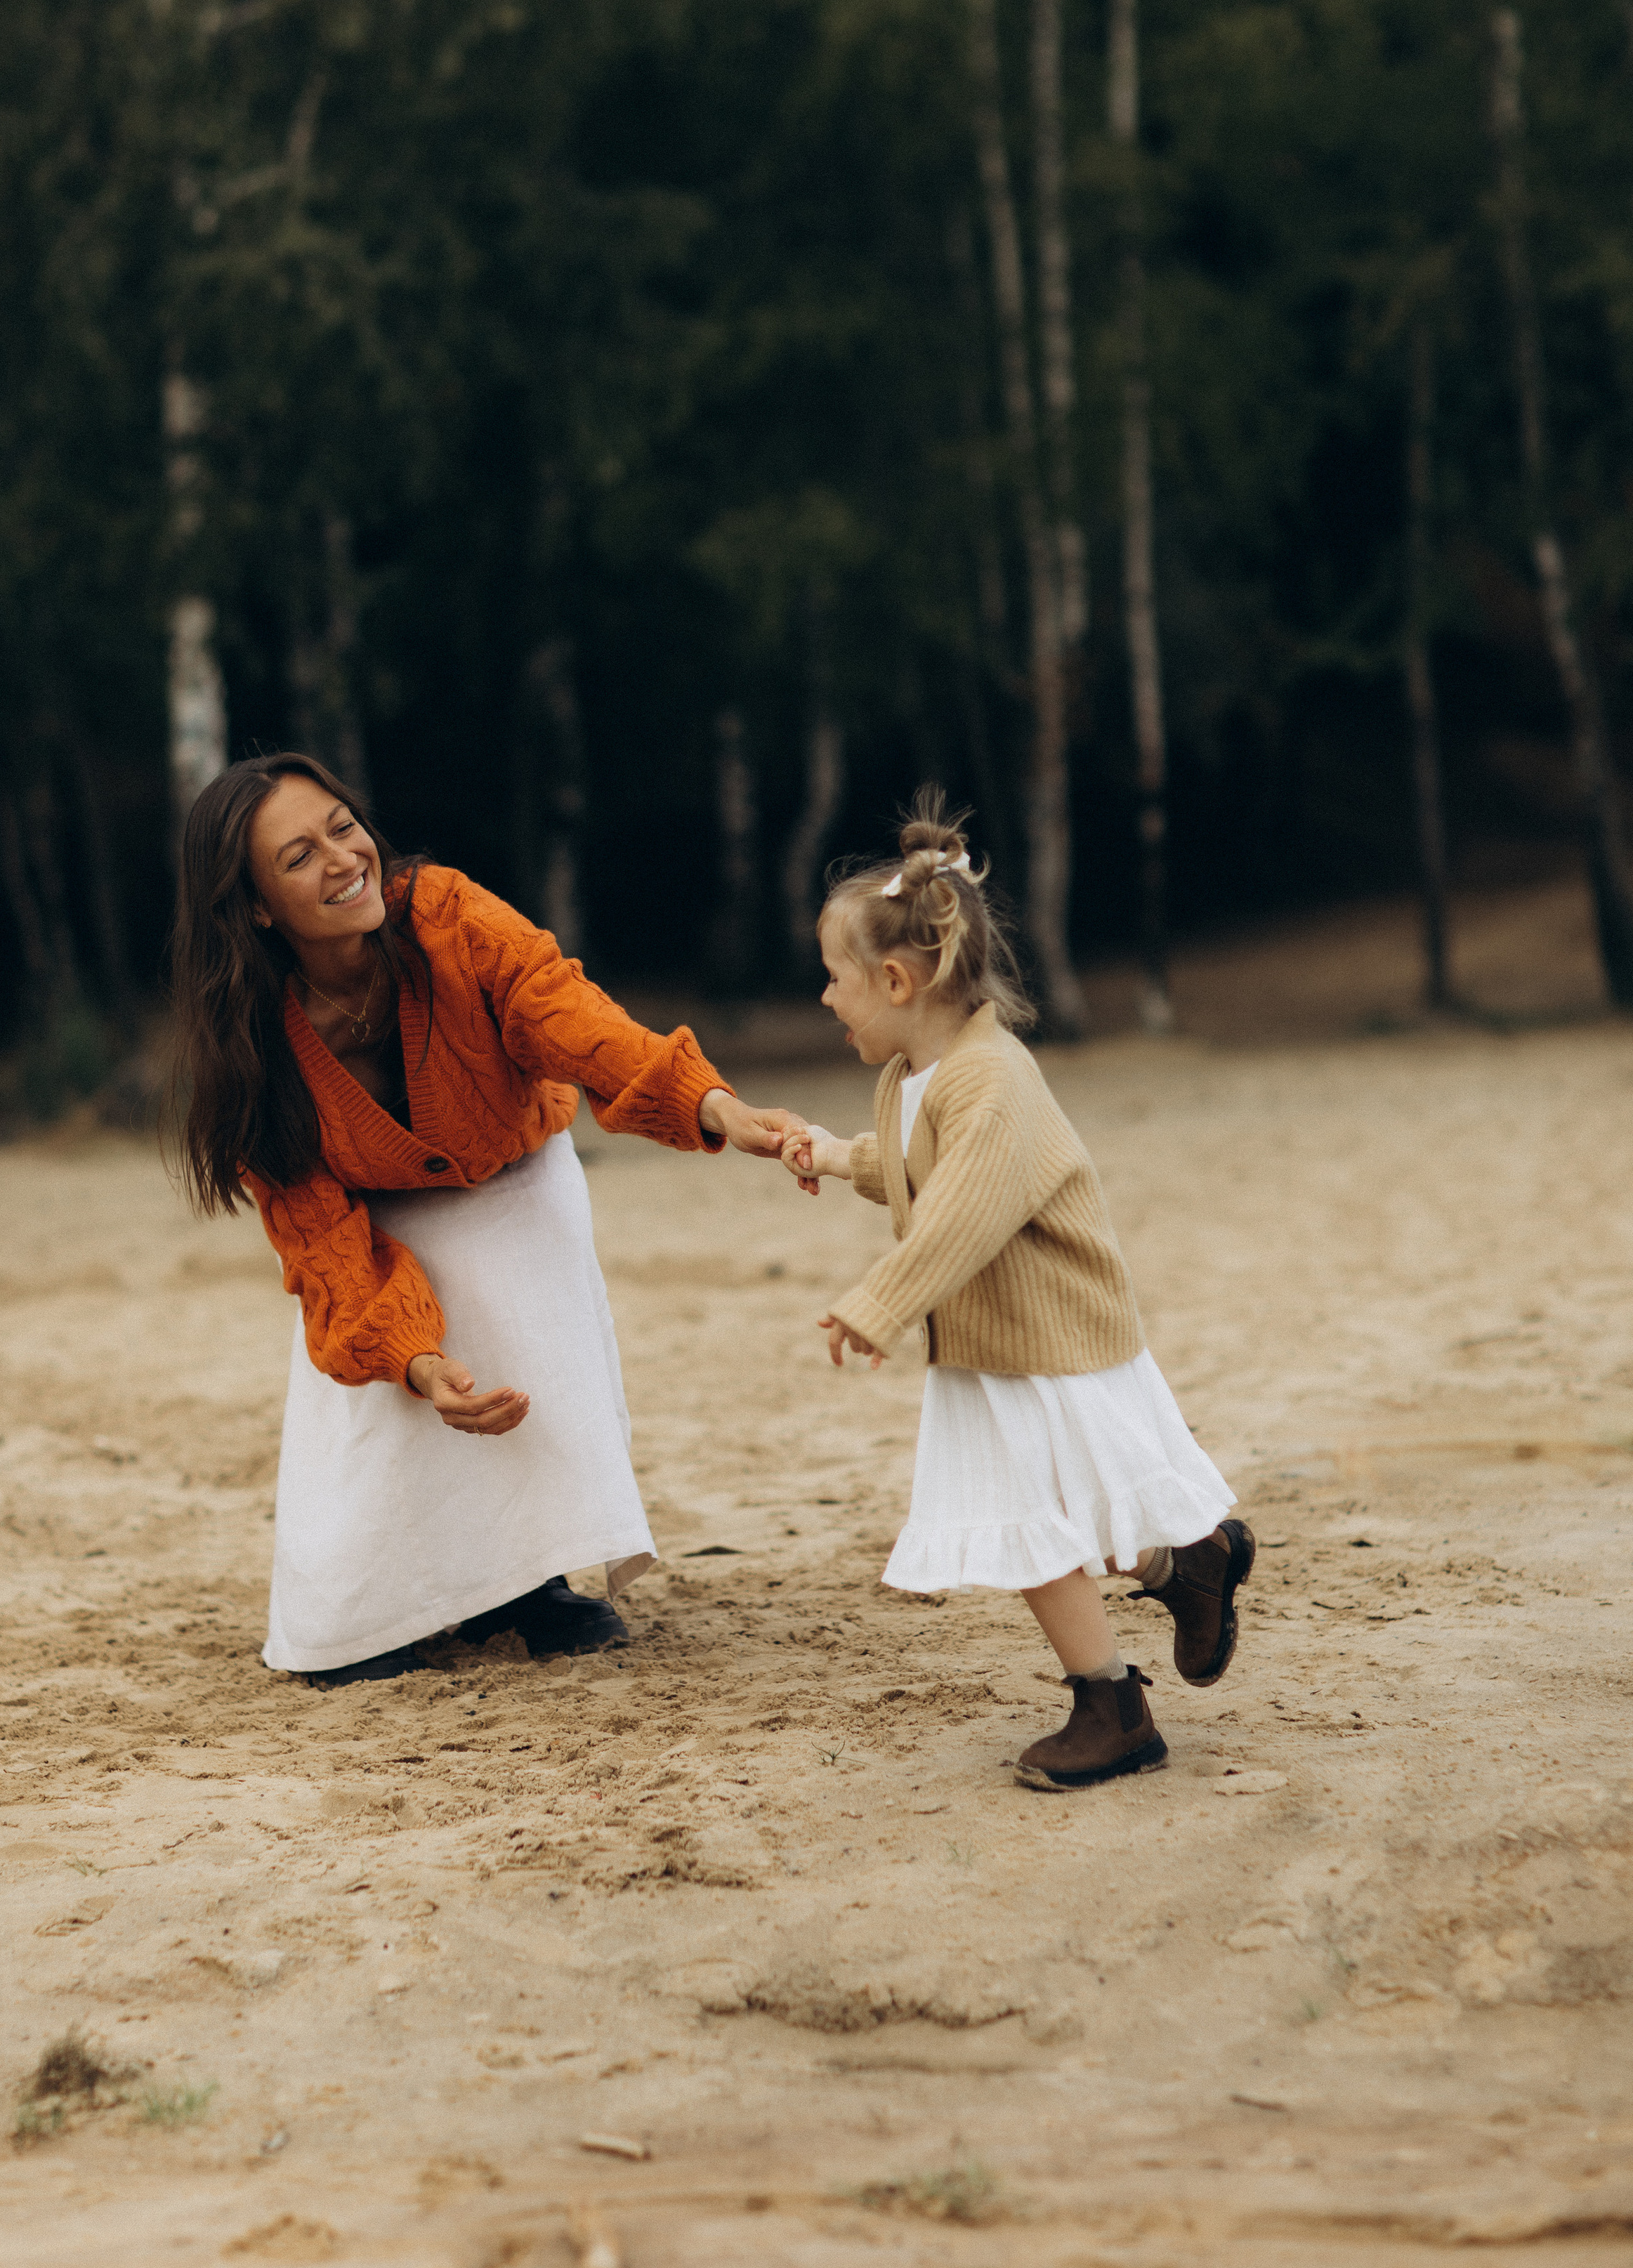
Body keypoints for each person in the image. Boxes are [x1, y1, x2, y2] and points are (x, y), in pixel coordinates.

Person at [168, 753, 804, 1677]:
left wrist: (712, 1106)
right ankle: (362, 1610)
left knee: (516, 1320)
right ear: (257, 907)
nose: (343, 859)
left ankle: (529, 1585)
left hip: (514, 1166)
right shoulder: (253, 1051)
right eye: (299, 857)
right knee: (371, 1394)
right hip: (373, 1212)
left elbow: (567, 1013)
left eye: (344, 827)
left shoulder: (445, 913)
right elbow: (324, 1249)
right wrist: (418, 1364)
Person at [781, 791, 1253, 1790]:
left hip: (1050, 1341)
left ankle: (1116, 1706)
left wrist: (878, 1305)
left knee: (1051, 1517)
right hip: (993, 1343)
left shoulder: (991, 1080)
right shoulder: (918, 1074)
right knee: (1057, 1514)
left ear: (897, 980)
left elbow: (963, 1212)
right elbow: (919, 1168)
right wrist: (831, 1154)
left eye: (835, 979)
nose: (825, 998)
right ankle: (1187, 1574)